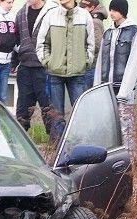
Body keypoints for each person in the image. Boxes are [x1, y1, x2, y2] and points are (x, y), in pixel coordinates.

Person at [35, 0, 94, 143]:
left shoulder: (85, 16)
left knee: (80, 112)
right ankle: (57, 147)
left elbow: (91, 44)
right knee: (56, 114)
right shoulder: (50, 15)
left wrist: (85, 62)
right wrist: (48, 62)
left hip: (78, 73)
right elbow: (42, 43)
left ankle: (81, 144)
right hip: (55, 73)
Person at [94, 0, 137, 151]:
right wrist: (97, 88)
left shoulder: (135, 33)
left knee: (126, 128)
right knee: (106, 126)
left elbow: (134, 64)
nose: (111, 13)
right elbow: (100, 62)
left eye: (115, 10)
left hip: (123, 90)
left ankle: (130, 159)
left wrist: (124, 92)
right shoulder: (107, 33)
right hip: (106, 89)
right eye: (110, 10)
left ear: (123, 11)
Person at [12, 0, 58, 134]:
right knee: (23, 107)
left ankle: (54, 142)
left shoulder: (53, 11)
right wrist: (14, 62)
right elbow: (17, 38)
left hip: (45, 67)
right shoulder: (21, 13)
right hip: (25, 65)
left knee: (48, 106)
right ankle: (19, 140)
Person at [79, 0, 108, 90]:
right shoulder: (89, 19)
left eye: (83, 8)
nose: (80, 10)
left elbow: (97, 45)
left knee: (87, 94)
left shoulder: (94, 21)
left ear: (92, 8)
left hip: (91, 65)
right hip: (89, 64)